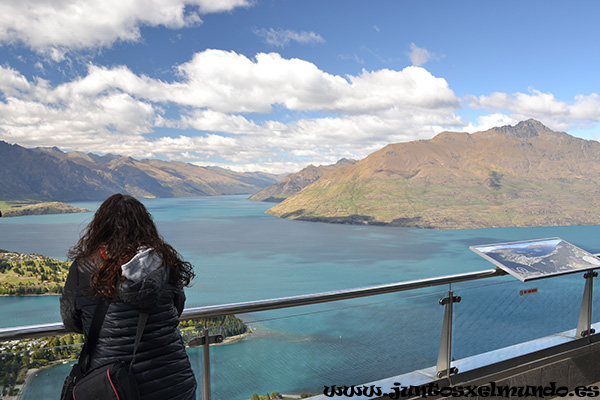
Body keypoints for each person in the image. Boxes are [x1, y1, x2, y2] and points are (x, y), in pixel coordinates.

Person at [60, 194, 197, 399]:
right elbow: (177, 308)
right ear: (146, 225)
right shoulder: (163, 263)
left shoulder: (86, 266)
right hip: (175, 382)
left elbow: (70, 318)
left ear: (100, 226)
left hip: (114, 386)